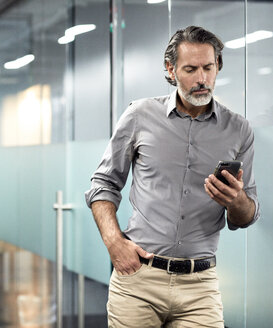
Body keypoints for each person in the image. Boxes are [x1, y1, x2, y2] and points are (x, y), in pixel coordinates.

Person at [85, 26, 261, 328]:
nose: (202, 79)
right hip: (138, 278)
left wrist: (236, 200)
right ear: (171, 70)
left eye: (208, 67)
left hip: (200, 286)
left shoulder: (238, 129)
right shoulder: (139, 116)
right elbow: (103, 184)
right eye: (190, 69)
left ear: (218, 65)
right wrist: (114, 242)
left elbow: (246, 215)